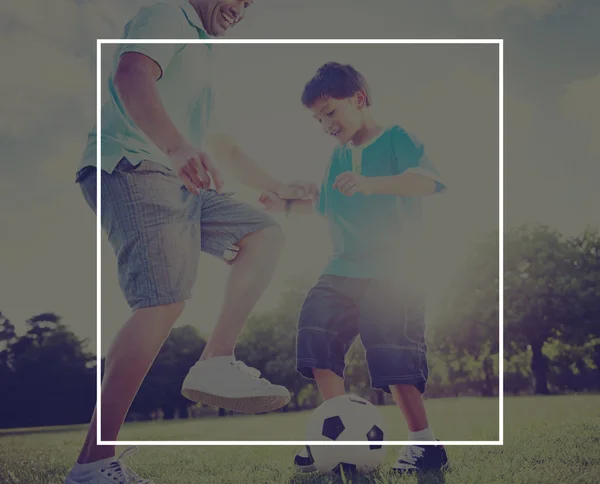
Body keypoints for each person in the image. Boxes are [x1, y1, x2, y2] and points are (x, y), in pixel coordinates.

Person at [65, 1, 313, 483]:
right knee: (163, 301)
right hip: (134, 168)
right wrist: (176, 147)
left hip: (181, 183)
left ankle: (215, 360)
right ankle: (93, 464)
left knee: (263, 233)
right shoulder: (167, 13)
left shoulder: (201, 53)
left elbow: (222, 147)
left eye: (248, 4)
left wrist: (279, 188)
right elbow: (131, 73)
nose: (241, 9)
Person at [260, 62, 450, 476]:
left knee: (392, 353)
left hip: (394, 269)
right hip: (344, 267)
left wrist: (371, 184)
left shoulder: (398, 138)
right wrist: (287, 206)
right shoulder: (337, 157)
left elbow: (427, 182)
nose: (325, 124)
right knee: (316, 331)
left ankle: (426, 444)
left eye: (330, 112)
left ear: (360, 100)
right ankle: (340, 443)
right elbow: (327, 206)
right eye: (317, 119)